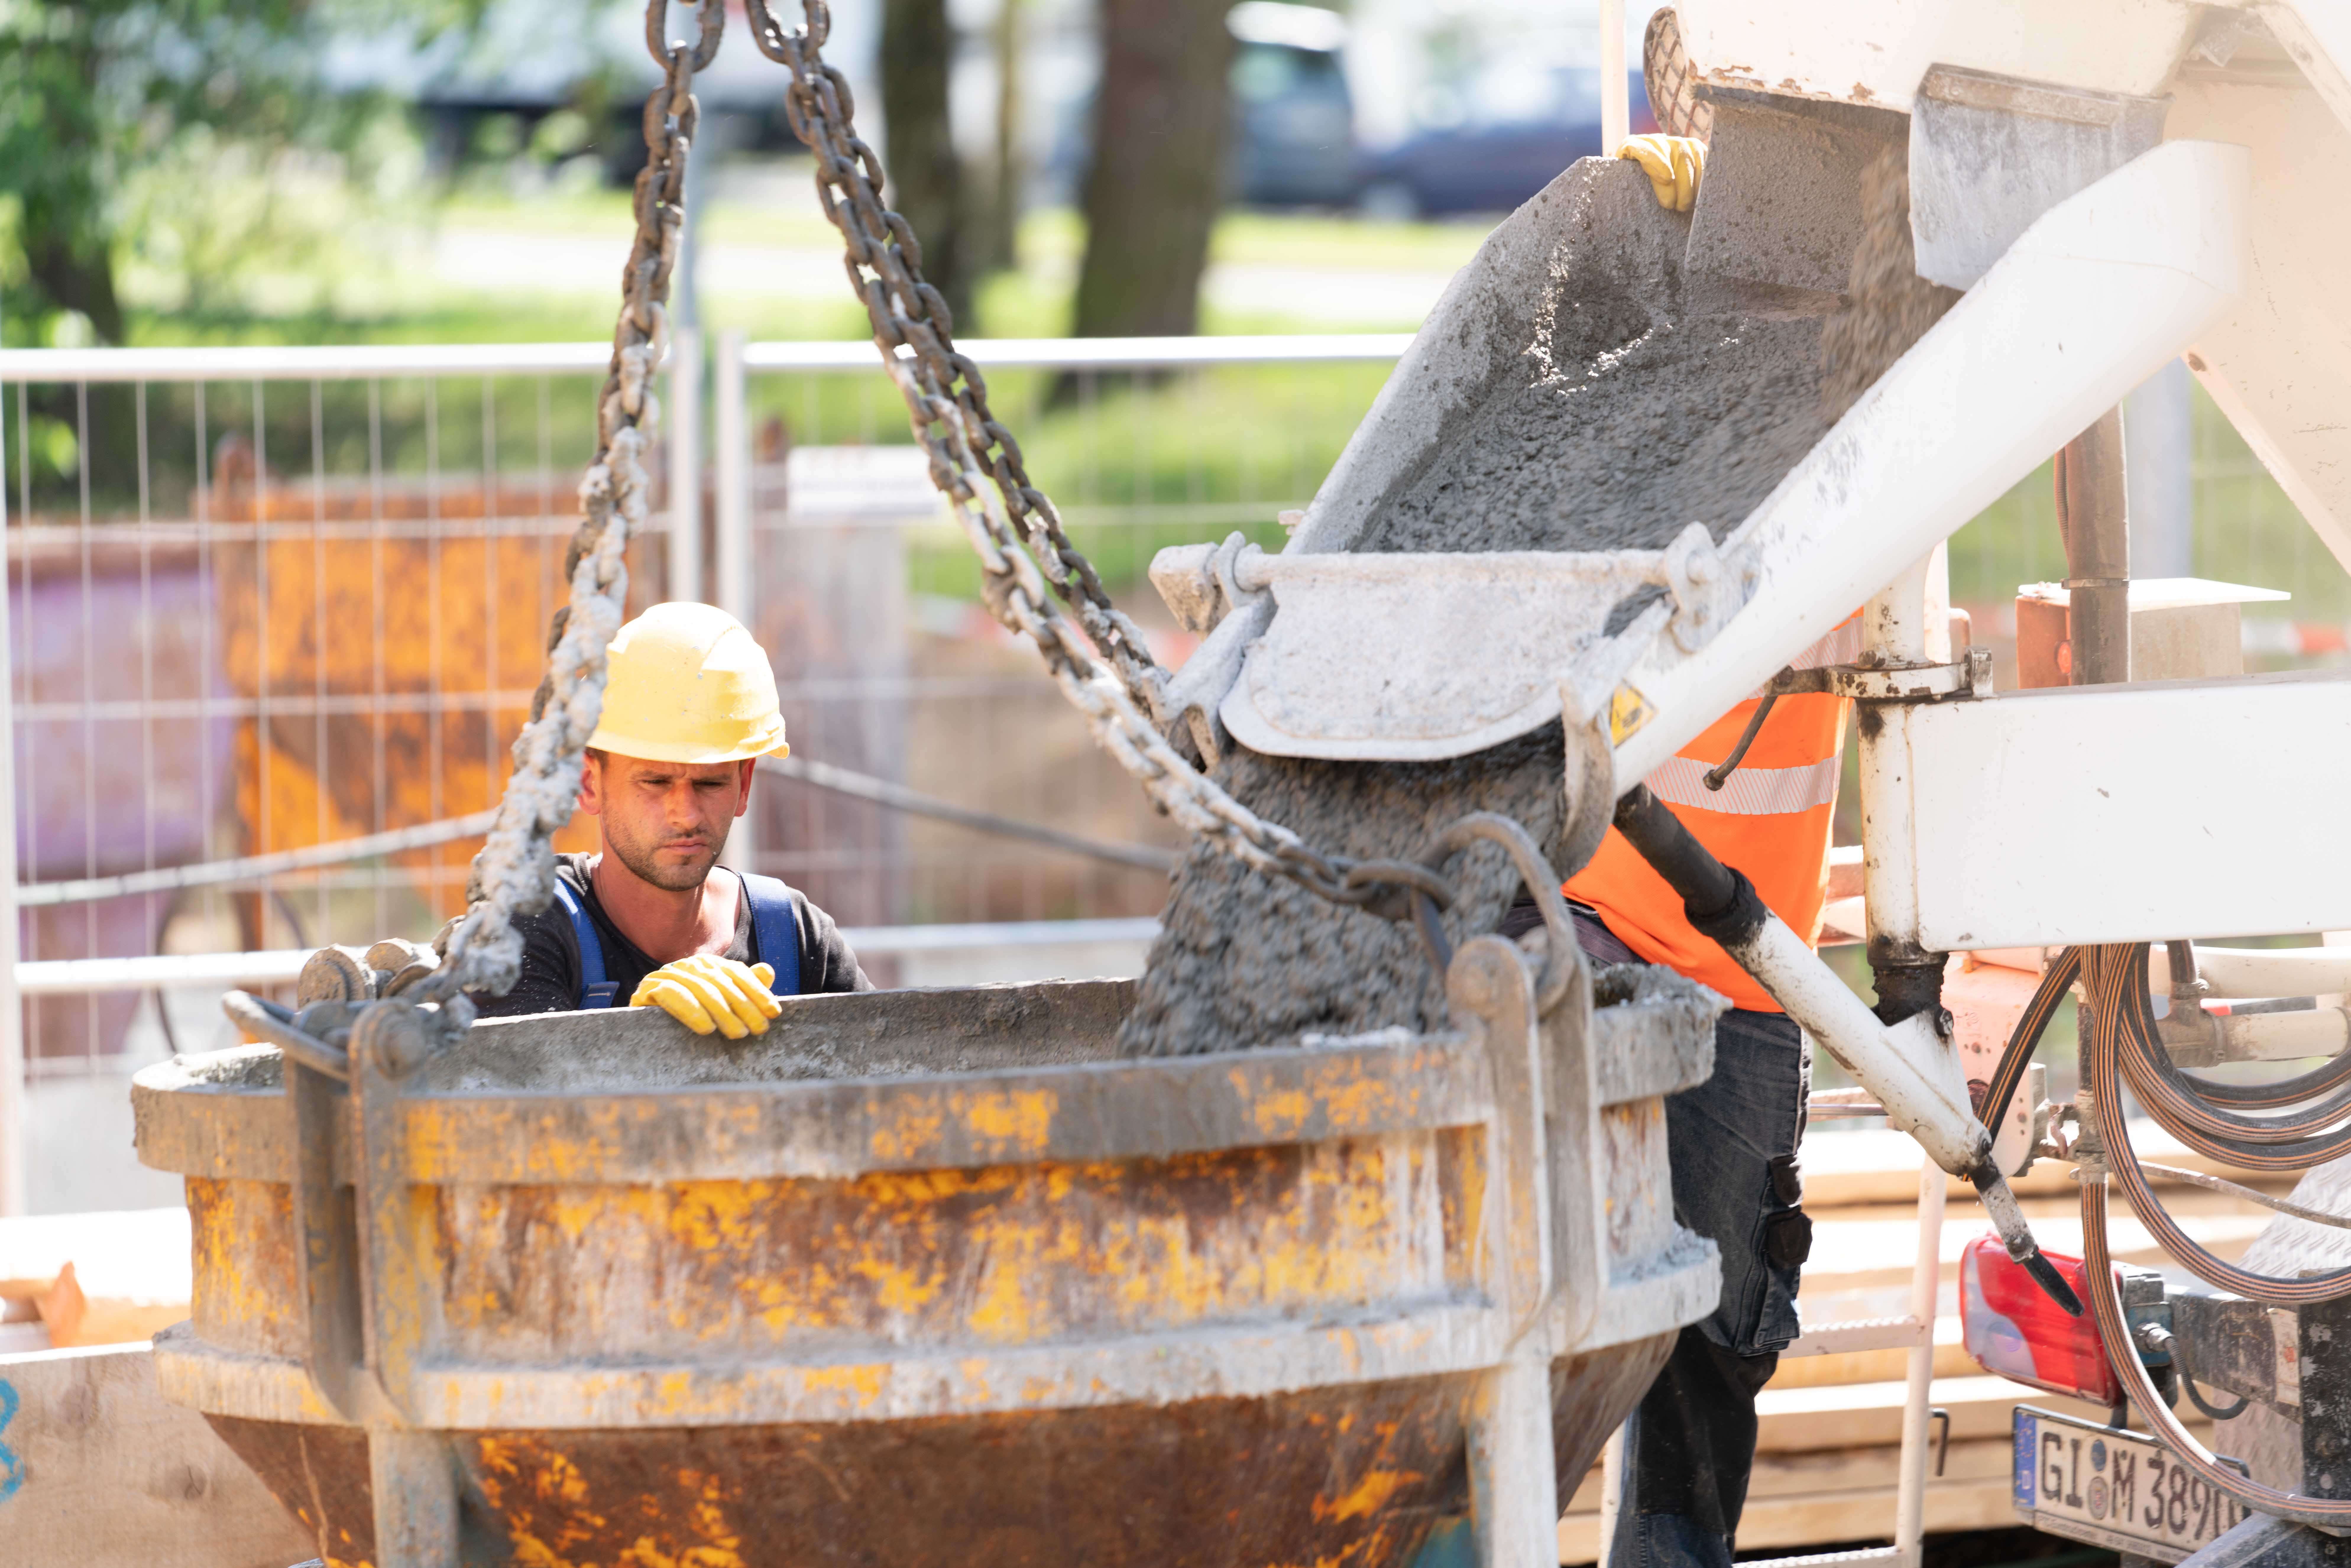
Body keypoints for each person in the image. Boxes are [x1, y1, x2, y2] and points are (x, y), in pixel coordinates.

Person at [477, 601, 870, 1033]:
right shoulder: (524, 931)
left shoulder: (792, 938)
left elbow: (894, 1083)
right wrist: (637, 1030)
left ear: (744, 784)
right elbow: (520, 1092)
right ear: (590, 783)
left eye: (710, 784)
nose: (686, 815)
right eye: (656, 782)